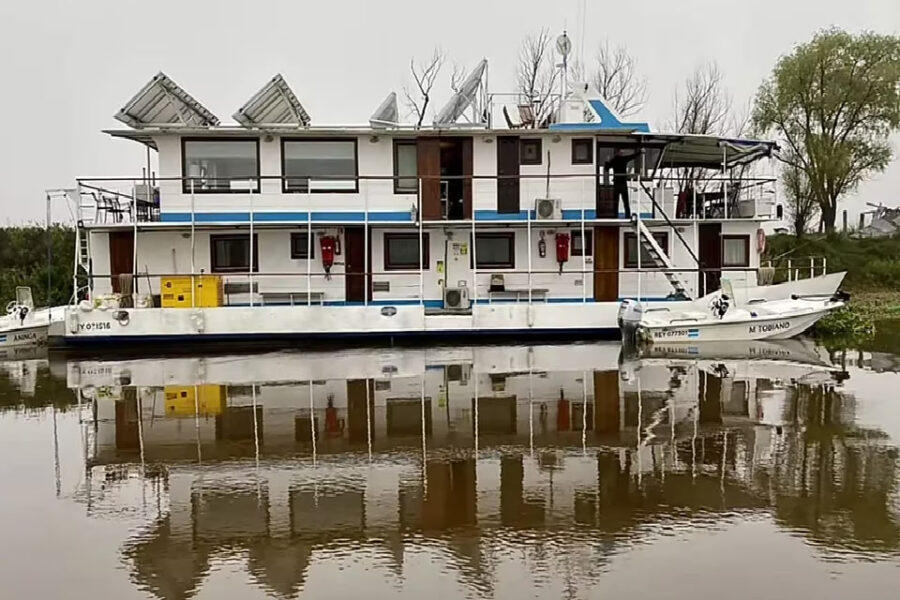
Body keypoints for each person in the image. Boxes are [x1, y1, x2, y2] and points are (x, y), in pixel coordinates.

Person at [606, 149, 640, 218]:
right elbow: (632, 156)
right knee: (626, 202)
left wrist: (607, 161)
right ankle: (627, 215)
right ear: (619, 153)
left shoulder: (613, 160)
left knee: (616, 201)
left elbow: (607, 168)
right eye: (622, 152)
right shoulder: (624, 159)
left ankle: (615, 216)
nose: (622, 153)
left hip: (616, 183)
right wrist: (640, 152)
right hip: (623, 183)